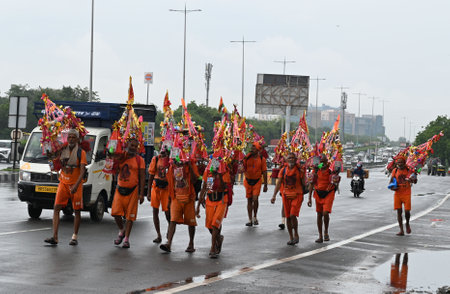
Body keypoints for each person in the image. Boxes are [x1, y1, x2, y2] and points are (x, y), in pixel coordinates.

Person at [44, 129, 87, 246]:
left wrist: (76, 186)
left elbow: (82, 172)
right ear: (67, 139)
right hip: (63, 183)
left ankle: (74, 237)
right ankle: (55, 237)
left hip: (75, 185)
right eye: (69, 137)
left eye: (74, 137)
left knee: (77, 211)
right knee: (56, 208)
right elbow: (54, 157)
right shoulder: (63, 149)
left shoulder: (81, 152)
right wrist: (49, 151)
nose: (71, 139)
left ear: (77, 139)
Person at [111, 138, 145, 248]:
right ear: (127, 145)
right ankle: (121, 230)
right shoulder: (121, 157)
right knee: (115, 213)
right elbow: (114, 171)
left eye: (135, 146)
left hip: (133, 190)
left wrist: (141, 193)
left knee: (130, 217)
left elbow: (142, 177)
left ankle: (126, 239)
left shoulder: (140, 160)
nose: (133, 148)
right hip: (120, 188)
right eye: (132, 145)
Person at [160, 158, 199, 253]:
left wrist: (189, 166)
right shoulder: (172, 167)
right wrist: (170, 199)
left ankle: (191, 243)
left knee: (191, 223)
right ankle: (169, 243)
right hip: (176, 198)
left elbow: (195, 180)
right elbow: (170, 183)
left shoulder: (191, 164)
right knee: (173, 220)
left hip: (189, 198)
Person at [271, 152, 306, 245]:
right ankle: (291, 237)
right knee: (288, 217)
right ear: (287, 160)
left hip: (297, 195)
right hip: (286, 195)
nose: (291, 159)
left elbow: (304, 183)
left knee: (292, 215)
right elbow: (278, 183)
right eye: (289, 158)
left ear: (295, 160)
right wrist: (274, 195)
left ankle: (296, 234)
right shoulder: (283, 170)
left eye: (293, 158)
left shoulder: (300, 170)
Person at [196, 161, 230, 258]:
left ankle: (213, 248)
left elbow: (224, 187)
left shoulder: (224, 172)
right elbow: (205, 188)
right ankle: (219, 238)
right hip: (210, 200)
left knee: (215, 224)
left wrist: (219, 175)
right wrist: (198, 206)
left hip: (222, 200)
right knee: (210, 225)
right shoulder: (208, 173)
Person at [307, 154, 340, 243]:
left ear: (327, 161)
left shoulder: (331, 170)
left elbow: (336, 181)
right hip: (318, 193)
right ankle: (320, 235)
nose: (322, 164)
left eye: (324, 162)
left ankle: (326, 231)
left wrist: (336, 174)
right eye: (321, 162)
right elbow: (311, 184)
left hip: (329, 193)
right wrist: (309, 198)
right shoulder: (316, 170)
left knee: (325, 213)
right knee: (319, 214)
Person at [147, 144, 170, 243]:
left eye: (165, 148)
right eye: (161, 147)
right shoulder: (156, 159)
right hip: (156, 187)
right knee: (155, 211)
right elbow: (151, 176)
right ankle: (158, 235)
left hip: (166, 189)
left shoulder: (171, 159)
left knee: (167, 212)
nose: (163, 150)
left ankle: (170, 231)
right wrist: (148, 192)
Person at [389, 156, 416, 236]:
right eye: (398, 162)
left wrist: (411, 180)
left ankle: (407, 223)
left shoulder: (409, 170)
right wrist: (392, 187)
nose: (399, 164)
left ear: (404, 163)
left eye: (401, 162)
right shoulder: (395, 170)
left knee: (407, 211)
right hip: (398, 193)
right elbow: (390, 182)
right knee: (399, 212)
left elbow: (415, 181)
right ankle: (401, 230)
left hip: (407, 192)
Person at [243, 142, 268, 226]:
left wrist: (265, 185)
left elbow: (264, 172)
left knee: (255, 198)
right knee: (249, 200)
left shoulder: (262, 159)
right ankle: (250, 219)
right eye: (251, 147)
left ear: (257, 150)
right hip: (248, 180)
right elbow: (242, 168)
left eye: (254, 148)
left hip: (257, 181)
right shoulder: (247, 157)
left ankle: (255, 216)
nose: (252, 149)